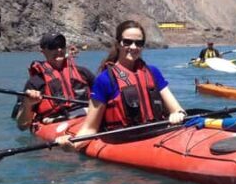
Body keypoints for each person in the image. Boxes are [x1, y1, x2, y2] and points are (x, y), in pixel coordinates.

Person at [57, 20, 187, 150]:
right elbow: (90, 128)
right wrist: (72, 144)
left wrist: (177, 114)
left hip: (158, 134)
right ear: (118, 44)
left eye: (139, 43)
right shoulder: (105, 79)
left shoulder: (153, 72)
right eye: (127, 42)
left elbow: (177, 109)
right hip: (124, 141)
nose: (134, 47)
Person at [14, 32, 95, 130]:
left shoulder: (83, 73)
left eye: (62, 46)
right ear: (43, 51)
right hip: (56, 123)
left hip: (86, 118)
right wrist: (28, 104)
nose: (59, 50)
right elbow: (22, 126)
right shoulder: (35, 82)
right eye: (53, 46)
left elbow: (103, 97)